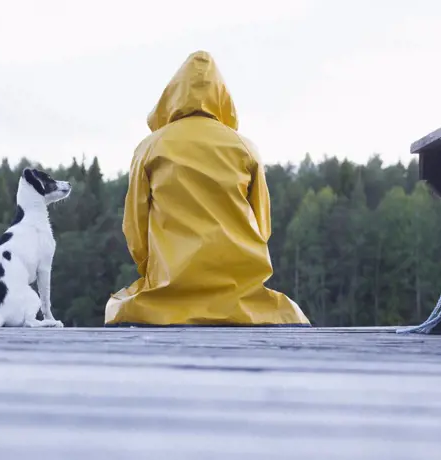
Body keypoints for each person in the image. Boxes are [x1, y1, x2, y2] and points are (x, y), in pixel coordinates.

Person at [105, 50, 311, 327]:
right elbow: (262, 227)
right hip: (240, 295)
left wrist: (153, 272)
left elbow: (135, 228)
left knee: (119, 309)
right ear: (222, 97)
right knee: (289, 314)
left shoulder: (150, 147)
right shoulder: (245, 147)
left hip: (168, 291)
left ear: (171, 95)